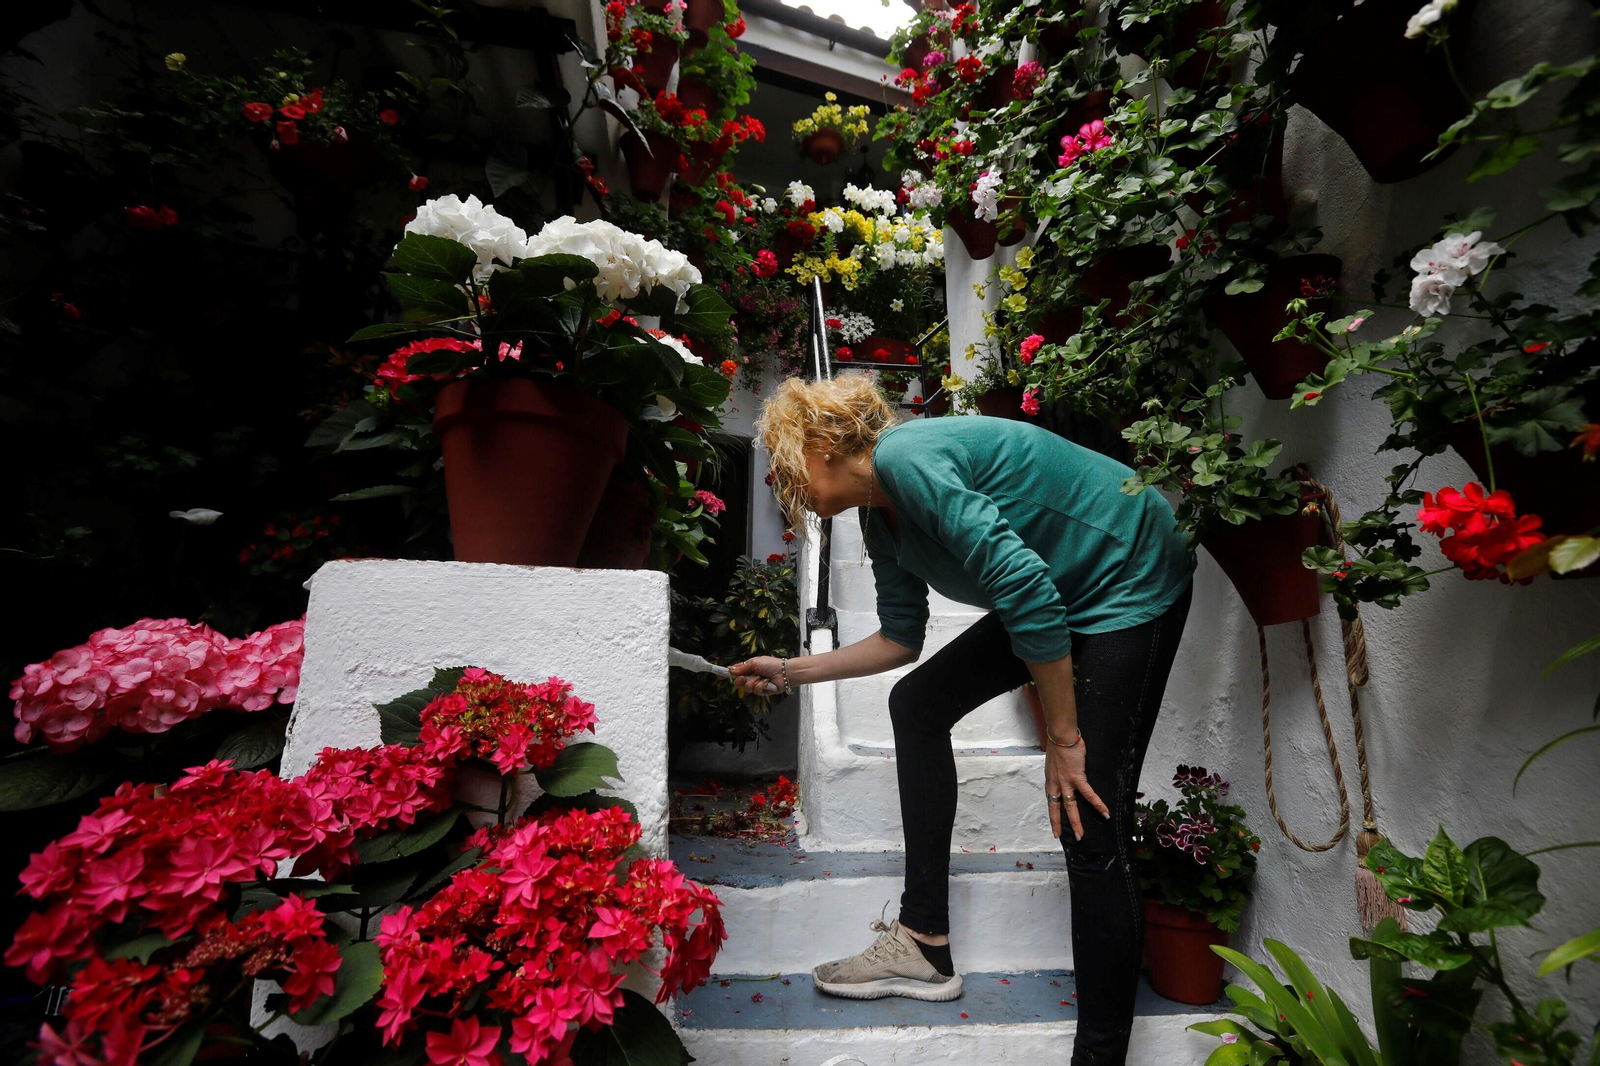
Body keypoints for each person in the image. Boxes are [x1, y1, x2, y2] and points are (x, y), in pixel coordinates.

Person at [729, 374, 1194, 1066]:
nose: (775, 477)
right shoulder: (875, 513)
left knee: (1090, 817)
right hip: (1062, 591)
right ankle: (923, 941)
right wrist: (790, 670)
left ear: (823, 443)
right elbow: (900, 639)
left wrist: (1063, 740)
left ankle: (1099, 1059)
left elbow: (1026, 589)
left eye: (782, 455)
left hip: (1128, 576)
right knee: (916, 703)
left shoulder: (906, 458)